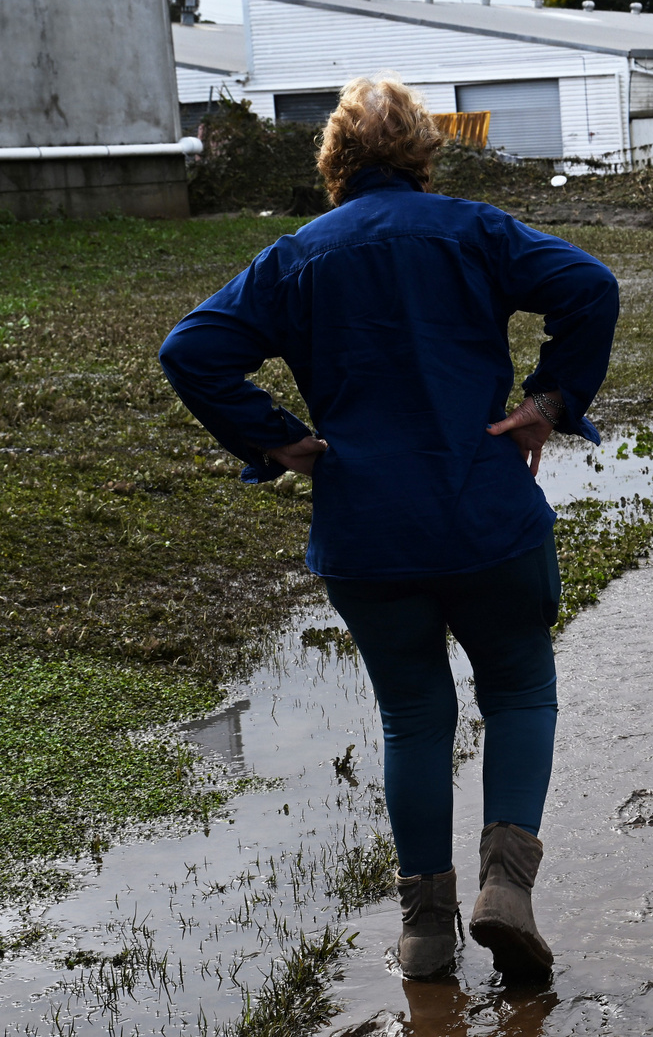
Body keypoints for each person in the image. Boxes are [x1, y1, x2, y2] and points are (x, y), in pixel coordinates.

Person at [159, 77, 620, 983]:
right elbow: (589, 286)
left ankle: (424, 933)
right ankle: (506, 891)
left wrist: (280, 440)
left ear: (332, 160)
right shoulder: (475, 231)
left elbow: (191, 350)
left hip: (367, 533)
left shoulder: (296, 256)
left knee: (413, 717)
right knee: (520, 693)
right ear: (423, 152)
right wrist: (550, 401)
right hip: (487, 518)